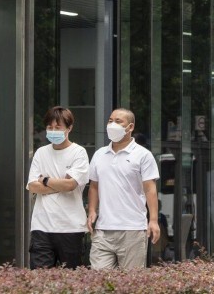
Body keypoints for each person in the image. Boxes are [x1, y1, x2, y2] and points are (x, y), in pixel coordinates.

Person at [87, 108, 160, 270]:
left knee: (130, 280)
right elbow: (93, 186)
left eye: (118, 121)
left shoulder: (143, 155)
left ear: (130, 127)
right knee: (98, 279)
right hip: (103, 229)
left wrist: (153, 220)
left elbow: (150, 189)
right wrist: (92, 210)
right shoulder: (99, 154)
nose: (112, 125)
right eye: (110, 121)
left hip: (133, 228)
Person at [26, 106, 90, 268]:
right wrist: (61, 184)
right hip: (41, 226)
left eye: (58, 127)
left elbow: (71, 184)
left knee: (72, 278)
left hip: (71, 227)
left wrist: (45, 180)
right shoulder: (41, 152)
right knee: (39, 278)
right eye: (50, 127)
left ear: (69, 128)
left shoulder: (79, 152)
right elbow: (32, 186)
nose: (53, 131)